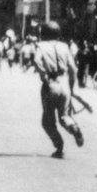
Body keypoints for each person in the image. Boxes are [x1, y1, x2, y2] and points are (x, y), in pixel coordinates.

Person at [32, 21, 84, 159]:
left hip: (50, 84)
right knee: (65, 116)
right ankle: (74, 128)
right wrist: (72, 88)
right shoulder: (65, 46)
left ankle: (59, 147)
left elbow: (36, 61)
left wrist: (44, 75)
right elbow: (73, 68)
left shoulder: (40, 46)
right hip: (64, 83)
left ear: (43, 33)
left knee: (47, 121)